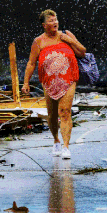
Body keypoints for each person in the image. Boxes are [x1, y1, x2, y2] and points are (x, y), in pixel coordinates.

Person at [22, 9, 86, 159]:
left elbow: (82, 52)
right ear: (44, 25)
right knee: (52, 115)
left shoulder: (66, 35)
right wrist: (26, 82)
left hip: (68, 79)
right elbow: (31, 63)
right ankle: (56, 140)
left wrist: (70, 40)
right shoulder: (38, 42)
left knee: (65, 112)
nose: (55, 22)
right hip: (48, 81)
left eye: (56, 19)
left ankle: (66, 146)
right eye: (51, 21)